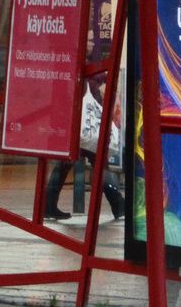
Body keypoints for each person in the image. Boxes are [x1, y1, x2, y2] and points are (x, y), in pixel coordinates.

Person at [42, 81, 126, 222]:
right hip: (86, 131)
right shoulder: (90, 75)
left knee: (65, 166)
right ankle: (118, 205)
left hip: (78, 128)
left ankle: (48, 206)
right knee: (100, 166)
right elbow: (97, 81)